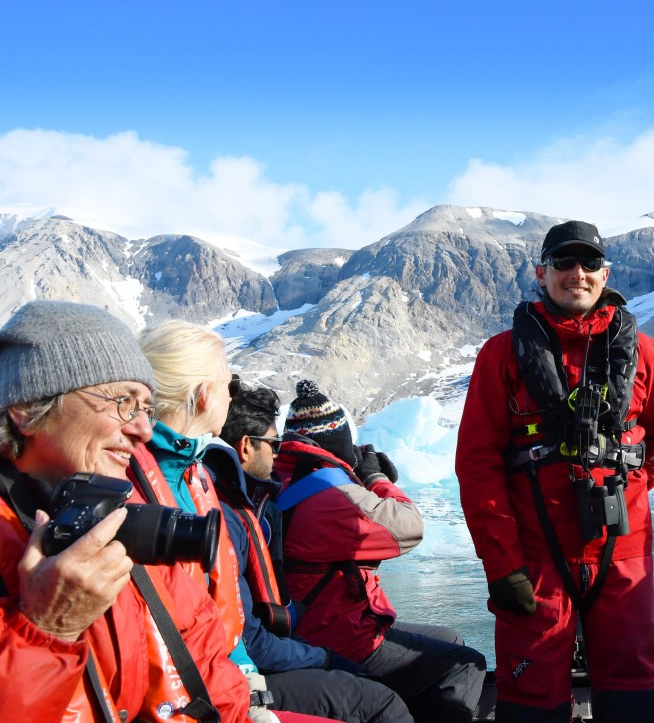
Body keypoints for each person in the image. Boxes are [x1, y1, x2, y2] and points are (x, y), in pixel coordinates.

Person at [455, 220, 654, 722]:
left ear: (606, 274)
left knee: (634, 695)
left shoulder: (646, 354)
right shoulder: (500, 356)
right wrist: (503, 566)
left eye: (588, 264)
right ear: (542, 272)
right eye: (563, 262)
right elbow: (477, 467)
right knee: (530, 703)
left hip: (622, 558)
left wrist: (625, 491)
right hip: (534, 564)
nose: (576, 273)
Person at [137, 320, 401, 723]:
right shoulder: (161, 486)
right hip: (192, 695)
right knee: (384, 704)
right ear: (205, 395)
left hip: (227, 677)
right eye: (229, 383)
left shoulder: (197, 478)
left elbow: (219, 618)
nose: (232, 394)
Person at [0, 300, 250, 722]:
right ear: (26, 408)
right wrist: (47, 628)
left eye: (147, 409)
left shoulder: (117, 507)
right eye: (123, 402)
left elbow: (201, 644)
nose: (144, 429)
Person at [274, 379, 487, 722]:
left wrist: (355, 478)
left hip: (307, 627)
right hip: (340, 637)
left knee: (452, 638)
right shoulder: (332, 498)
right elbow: (409, 527)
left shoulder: (286, 481)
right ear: (338, 442)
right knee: (467, 665)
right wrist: (375, 479)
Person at [213, 382, 413, 723]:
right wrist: (375, 477)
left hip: (286, 640)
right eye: (274, 445)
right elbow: (409, 527)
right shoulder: (233, 518)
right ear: (246, 447)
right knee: (387, 701)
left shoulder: (256, 503)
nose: (279, 454)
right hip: (253, 664)